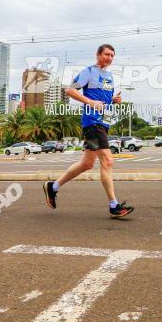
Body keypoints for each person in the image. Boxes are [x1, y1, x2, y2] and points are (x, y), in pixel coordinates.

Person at [42, 44, 134, 218]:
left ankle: (52, 187)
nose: (110, 58)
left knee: (87, 164)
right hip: (93, 122)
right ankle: (113, 205)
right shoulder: (88, 72)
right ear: (98, 54)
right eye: (107, 54)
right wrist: (90, 102)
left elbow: (102, 99)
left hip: (103, 122)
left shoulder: (109, 76)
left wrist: (113, 100)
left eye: (113, 56)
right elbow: (69, 90)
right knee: (107, 160)